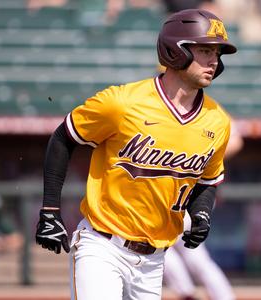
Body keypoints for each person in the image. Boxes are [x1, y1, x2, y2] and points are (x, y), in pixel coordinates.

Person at [35, 8, 237, 300]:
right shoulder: (122, 102)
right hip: (102, 245)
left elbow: (207, 180)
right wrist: (50, 211)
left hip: (154, 261)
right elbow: (64, 137)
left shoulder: (217, 120)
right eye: (205, 50)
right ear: (175, 51)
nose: (213, 60)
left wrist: (202, 213)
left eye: (217, 53)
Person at [163, 125, 242, 300]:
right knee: (191, 254)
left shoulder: (211, 111)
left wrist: (201, 157)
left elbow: (236, 142)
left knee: (161, 246)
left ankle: (187, 293)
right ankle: (218, 295)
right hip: (176, 193)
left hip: (193, 196)